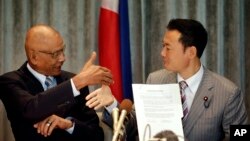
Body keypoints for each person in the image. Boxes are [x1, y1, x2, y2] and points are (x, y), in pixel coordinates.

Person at [85, 19, 248, 141]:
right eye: (163, 46)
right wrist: (112, 104)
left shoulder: (227, 93)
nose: (162, 53)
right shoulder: (156, 79)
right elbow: (133, 127)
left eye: (168, 48)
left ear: (191, 52)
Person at [0, 24, 114, 141]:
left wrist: (69, 125)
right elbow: (32, 109)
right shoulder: (10, 81)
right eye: (55, 54)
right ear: (34, 57)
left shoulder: (73, 81)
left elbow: (97, 136)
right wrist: (77, 82)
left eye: (62, 51)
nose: (62, 58)